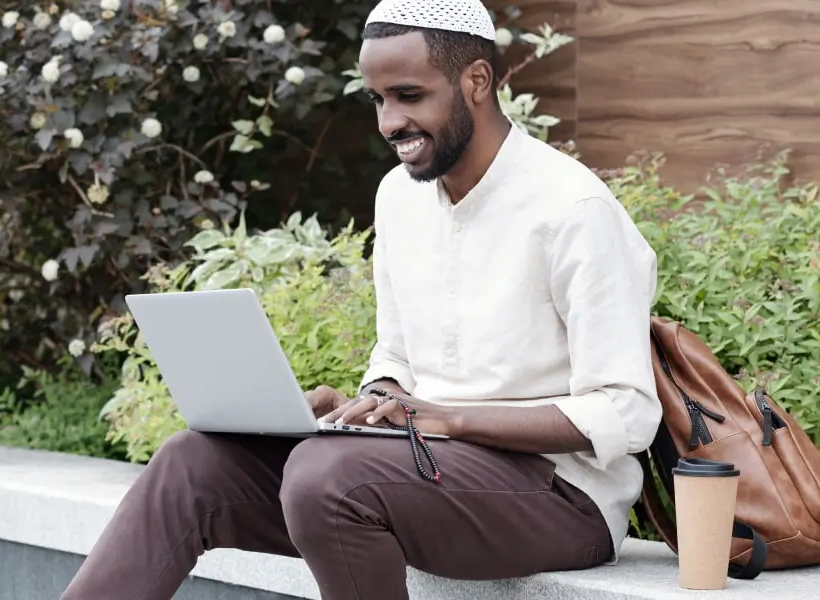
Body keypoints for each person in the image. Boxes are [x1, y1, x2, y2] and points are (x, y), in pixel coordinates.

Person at [61, 0, 663, 598]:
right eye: (378, 99)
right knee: (191, 465)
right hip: (423, 468)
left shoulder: (573, 209)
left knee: (329, 479)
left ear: (476, 81)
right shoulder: (399, 197)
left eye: (408, 95)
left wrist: (448, 418)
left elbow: (625, 412)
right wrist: (367, 405)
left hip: (560, 499)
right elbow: (396, 359)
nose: (389, 122)